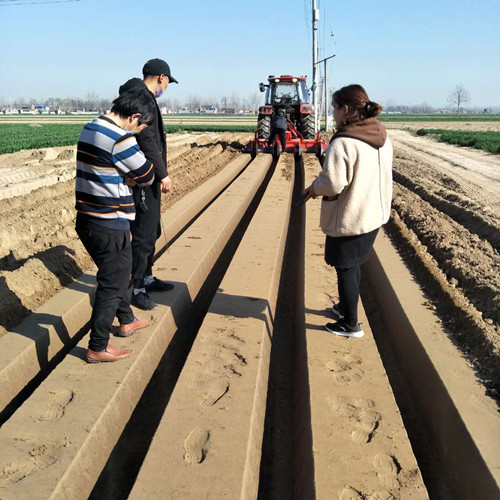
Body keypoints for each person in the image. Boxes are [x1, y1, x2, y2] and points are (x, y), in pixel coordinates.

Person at [303, 84, 393, 338]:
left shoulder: (344, 142)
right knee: (355, 263)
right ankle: (344, 307)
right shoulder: (381, 136)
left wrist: (314, 188)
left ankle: (350, 324)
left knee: (345, 268)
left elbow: (333, 183)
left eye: (334, 107)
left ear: (345, 109)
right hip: (373, 213)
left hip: (352, 216)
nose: (332, 113)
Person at [75, 88, 156, 363]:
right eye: (140, 127)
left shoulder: (90, 126)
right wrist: (130, 177)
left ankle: (127, 319)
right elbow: (147, 174)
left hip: (86, 218)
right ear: (134, 117)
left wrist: (125, 174)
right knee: (112, 283)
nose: (138, 132)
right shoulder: (120, 138)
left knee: (117, 273)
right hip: (110, 221)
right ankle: (97, 346)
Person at [119, 58, 179, 310]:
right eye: (167, 82)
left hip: (149, 174)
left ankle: (146, 277)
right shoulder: (141, 98)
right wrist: (163, 173)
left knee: (152, 229)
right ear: (161, 78)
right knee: (144, 233)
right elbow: (147, 140)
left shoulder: (144, 97)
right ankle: (137, 288)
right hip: (144, 176)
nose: (166, 87)